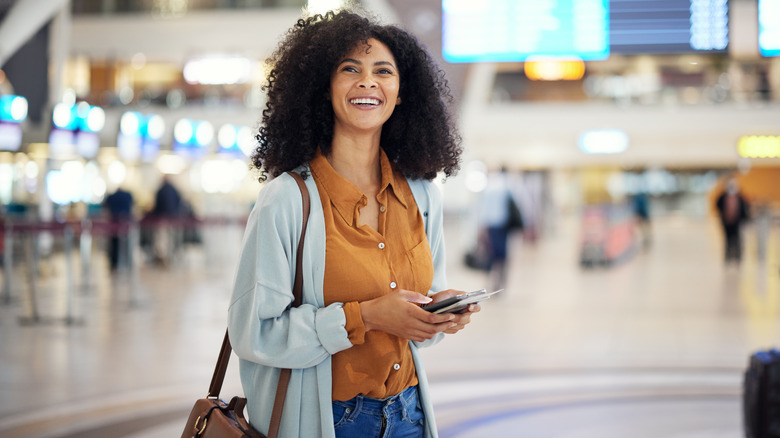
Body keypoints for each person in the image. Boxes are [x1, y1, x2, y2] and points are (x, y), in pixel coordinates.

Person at [227, 9, 478, 438]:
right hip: (329, 419)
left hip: (409, 415)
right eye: (350, 69)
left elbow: (418, 331)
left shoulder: (422, 195)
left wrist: (435, 315)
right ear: (323, 88)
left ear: (401, 92)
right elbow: (256, 333)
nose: (367, 82)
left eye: (383, 71)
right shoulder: (286, 200)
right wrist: (366, 317)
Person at [475, 165, 520, 291]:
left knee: (491, 254)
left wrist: (481, 229)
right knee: (503, 255)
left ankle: (490, 281)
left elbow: (483, 209)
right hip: (504, 225)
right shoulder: (510, 185)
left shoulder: (491, 185)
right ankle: (500, 282)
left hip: (491, 225)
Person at [150, 175, 182, 266]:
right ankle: (170, 257)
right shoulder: (174, 190)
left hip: (162, 218)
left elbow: (157, 205)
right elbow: (179, 202)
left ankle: (163, 258)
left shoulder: (161, 190)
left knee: (162, 239)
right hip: (173, 218)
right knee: (171, 239)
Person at [716, 178, 750, 263]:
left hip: (737, 222)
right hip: (726, 222)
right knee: (728, 240)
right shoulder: (723, 196)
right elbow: (718, 205)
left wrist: (744, 219)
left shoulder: (740, 197)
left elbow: (744, 208)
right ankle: (728, 256)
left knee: (737, 240)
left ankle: (737, 256)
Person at [104, 187, 134, 271]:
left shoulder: (111, 196)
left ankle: (114, 263)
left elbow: (105, 206)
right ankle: (127, 263)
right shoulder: (128, 195)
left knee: (114, 244)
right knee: (127, 243)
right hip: (126, 224)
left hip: (114, 223)